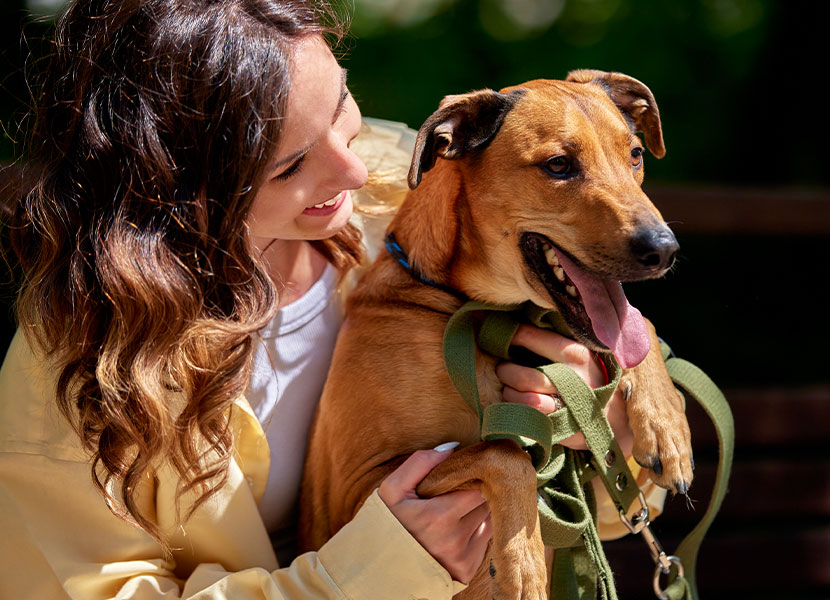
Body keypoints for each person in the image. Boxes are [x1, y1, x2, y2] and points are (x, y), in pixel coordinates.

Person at [0, 1, 661, 598]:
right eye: (292, 165)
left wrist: (594, 424)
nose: (350, 170)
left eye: (343, 113)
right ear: (177, 183)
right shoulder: (79, 357)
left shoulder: (413, 190)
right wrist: (364, 575)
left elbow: (620, 510)